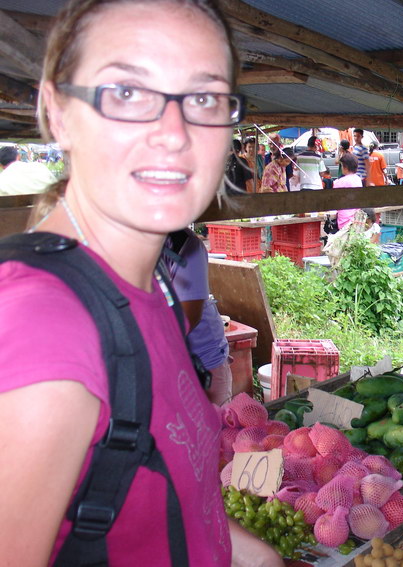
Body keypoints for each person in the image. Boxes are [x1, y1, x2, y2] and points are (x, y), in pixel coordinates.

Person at [0, 1, 283, 565]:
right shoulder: (43, 329)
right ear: (57, 112)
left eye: (203, 98)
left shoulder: (143, 286)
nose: (174, 134)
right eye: (127, 93)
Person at [163, 229, 232, 405]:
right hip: (159, 364)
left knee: (214, 426)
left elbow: (186, 319)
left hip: (201, 361)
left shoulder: (183, 245)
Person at [333, 153, 363, 230]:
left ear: (345, 167)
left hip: (345, 217)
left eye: (342, 166)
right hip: (357, 216)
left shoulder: (340, 182)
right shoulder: (357, 179)